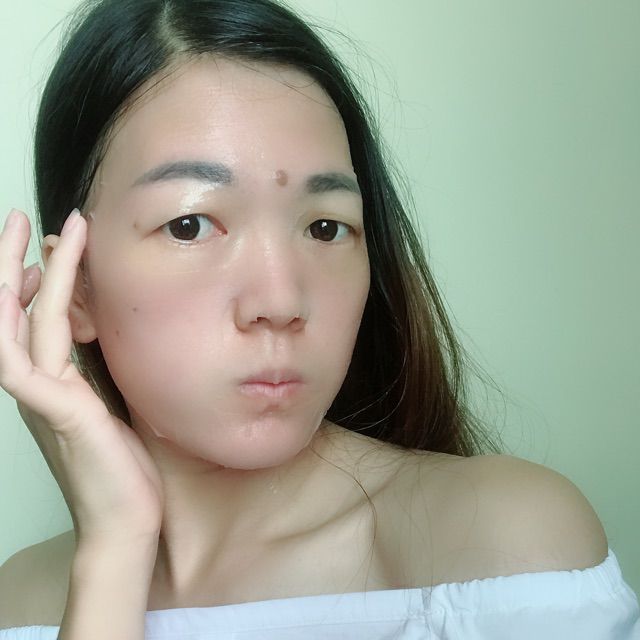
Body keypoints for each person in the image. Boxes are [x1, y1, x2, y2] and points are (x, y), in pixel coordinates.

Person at [0, 0, 638, 638]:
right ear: (75, 289)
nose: (281, 301)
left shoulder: (504, 551)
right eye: (190, 225)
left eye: (325, 228)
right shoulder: (22, 603)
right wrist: (114, 551)